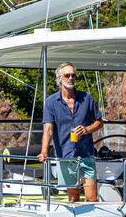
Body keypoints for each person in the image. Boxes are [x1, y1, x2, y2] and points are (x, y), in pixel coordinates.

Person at [37, 62, 104, 203]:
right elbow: (48, 129)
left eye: (73, 75)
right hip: (65, 155)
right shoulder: (51, 102)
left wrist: (87, 129)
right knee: (73, 198)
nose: (71, 78)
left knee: (92, 198)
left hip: (86, 154)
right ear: (59, 79)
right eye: (67, 75)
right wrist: (44, 151)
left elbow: (99, 122)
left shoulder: (87, 98)